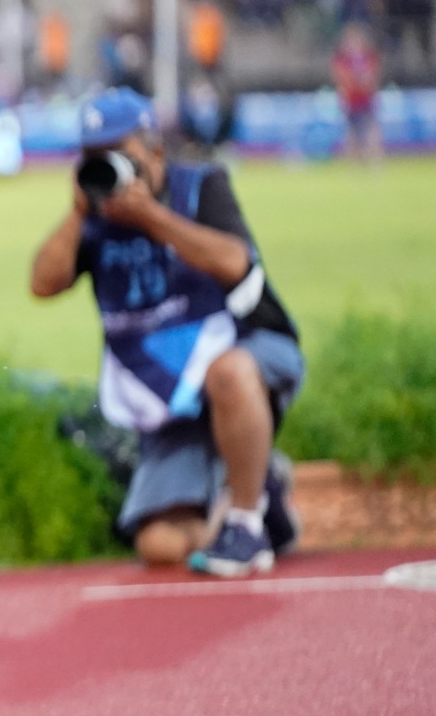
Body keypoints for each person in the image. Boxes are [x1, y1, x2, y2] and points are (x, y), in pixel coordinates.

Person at [29, 88, 302, 577]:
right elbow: (42, 284)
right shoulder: (95, 219)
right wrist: (77, 213)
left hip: (251, 350)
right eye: (95, 156)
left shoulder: (200, 187)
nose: (109, 165)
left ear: (154, 151)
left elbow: (235, 262)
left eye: (120, 153)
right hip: (172, 391)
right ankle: (265, 500)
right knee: (158, 546)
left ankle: (244, 524)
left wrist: (153, 218)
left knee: (229, 372)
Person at [331, 22, 383, 165]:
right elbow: (341, 78)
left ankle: (374, 161)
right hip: (350, 99)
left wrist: (364, 81)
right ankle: (353, 163)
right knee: (351, 132)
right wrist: (356, 81)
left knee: (371, 130)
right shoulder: (343, 58)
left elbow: (373, 76)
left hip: (366, 99)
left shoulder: (368, 56)